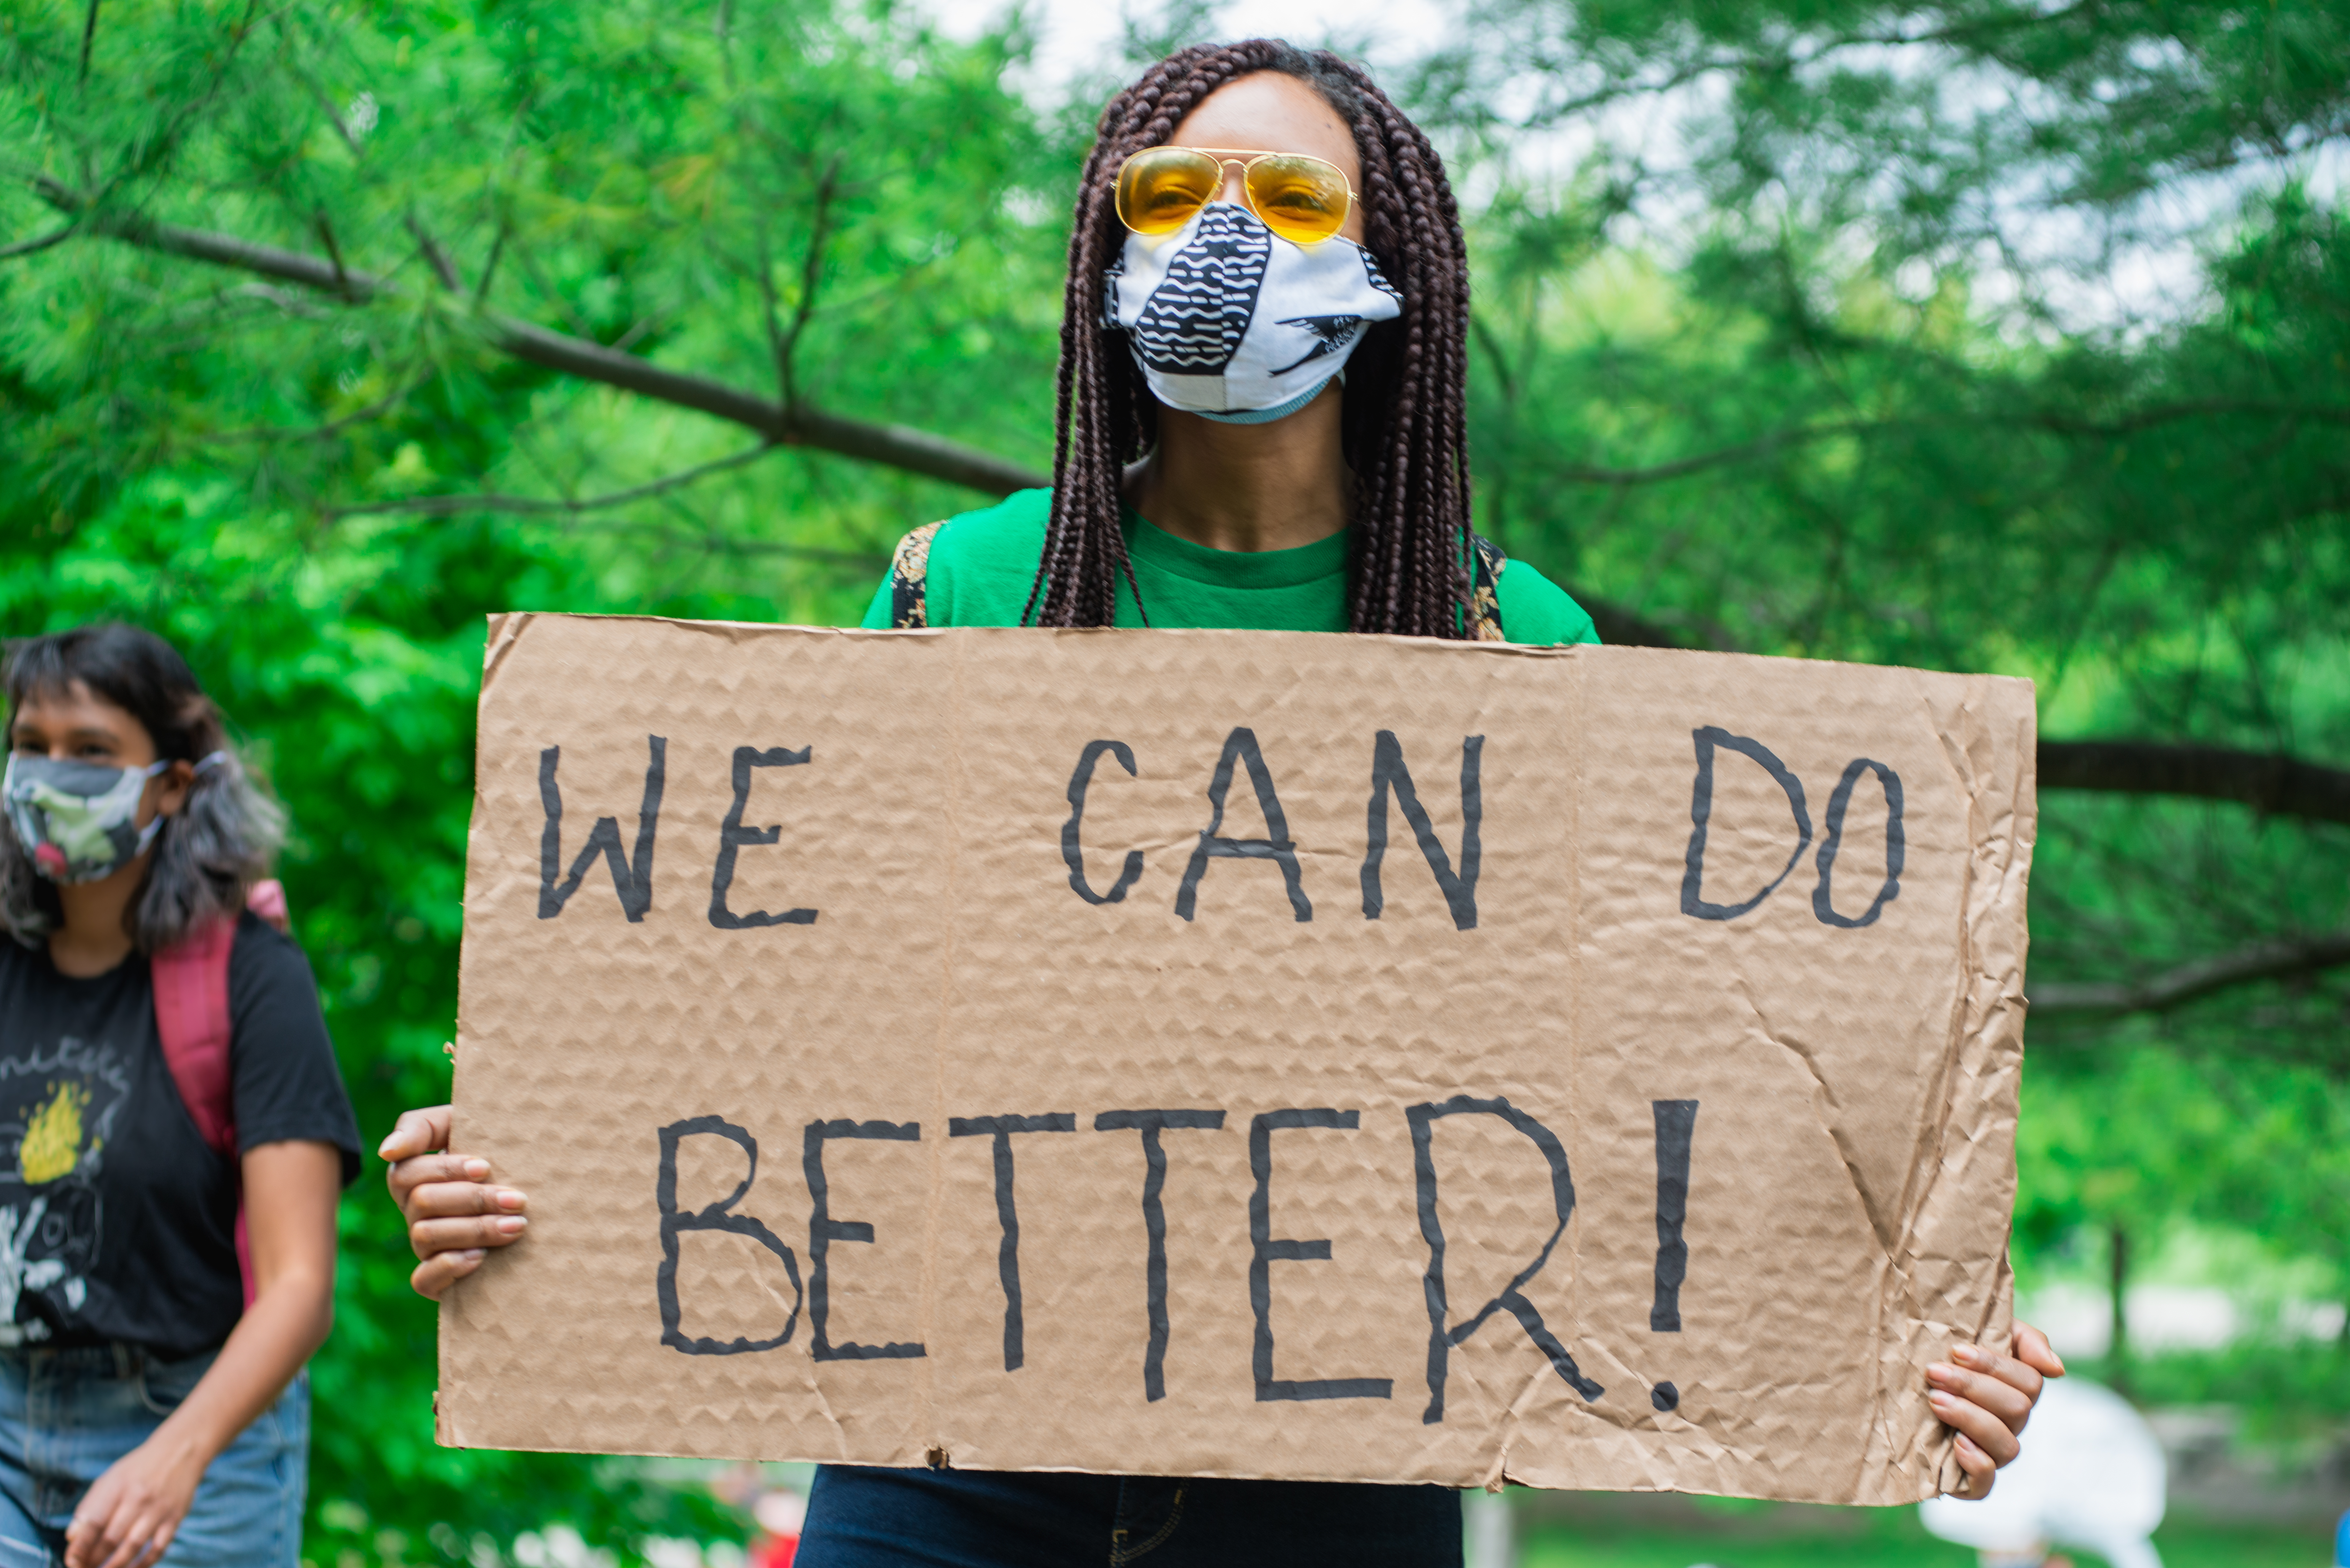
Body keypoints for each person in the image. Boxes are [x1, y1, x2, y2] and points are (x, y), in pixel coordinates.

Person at [382, 39, 2063, 1566]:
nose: (1223, 236)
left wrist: (1906, 1322)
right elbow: (793, 1005)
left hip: (1337, 1483)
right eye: (1171, 195)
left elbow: (1657, 1079)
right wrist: (544, 1157)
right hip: (948, 1461)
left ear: (1386, 254)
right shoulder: (965, 584)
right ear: (1109, 253)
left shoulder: (1517, 640)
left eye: (1290, 195)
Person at [0, 625, 361, 1568]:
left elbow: (300, 1287)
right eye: (30, 746)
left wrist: (176, 1458)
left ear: (172, 783)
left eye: (91, 752)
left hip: (200, 1433)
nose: (49, 777)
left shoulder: (253, 978)